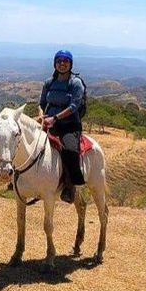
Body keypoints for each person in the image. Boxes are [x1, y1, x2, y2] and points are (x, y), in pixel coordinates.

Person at [37, 49, 86, 203]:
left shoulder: (75, 83)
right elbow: (42, 103)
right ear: (55, 64)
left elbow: (74, 106)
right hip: (49, 122)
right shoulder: (49, 82)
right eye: (59, 61)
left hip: (69, 125)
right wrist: (40, 115)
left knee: (69, 151)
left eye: (66, 61)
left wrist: (55, 118)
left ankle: (69, 187)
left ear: (70, 64)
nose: (62, 64)